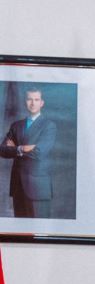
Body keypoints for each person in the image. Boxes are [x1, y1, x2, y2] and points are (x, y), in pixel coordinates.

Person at [0, 88, 58, 218]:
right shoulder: (16, 126)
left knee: (39, 231)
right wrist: (22, 148)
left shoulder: (49, 126)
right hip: (17, 186)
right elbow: (3, 150)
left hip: (38, 188)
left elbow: (39, 153)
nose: (33, 103)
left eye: (36, 99)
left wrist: (15, 149)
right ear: (25, 102)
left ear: (41, 103)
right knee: (21, 231)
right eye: (29, 99)